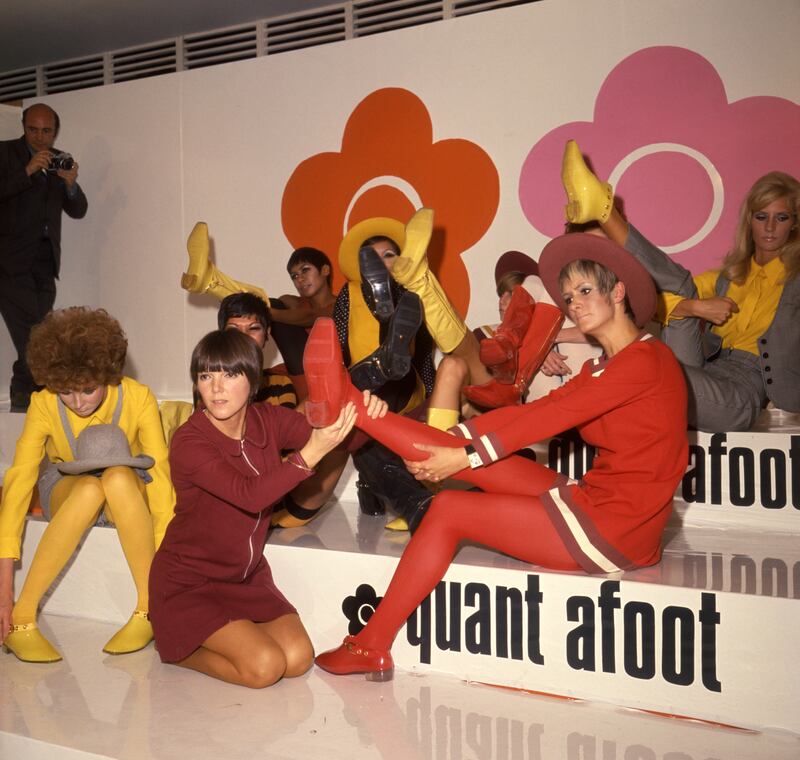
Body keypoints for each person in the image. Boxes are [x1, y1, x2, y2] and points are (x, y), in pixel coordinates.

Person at [303, 232, 688, 680]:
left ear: (618, 291)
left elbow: (554, 417)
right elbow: (540, 409)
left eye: (585, 291)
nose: (574, 304)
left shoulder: (646, 362)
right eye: (568, 296)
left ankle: (371, 645)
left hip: (617, 530)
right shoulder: (602, 365)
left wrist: (464, 458)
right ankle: (351, 405)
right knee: (471, 451)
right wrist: (457, 441)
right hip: (597, 499)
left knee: (447, 508)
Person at [147, 329, 383, 687]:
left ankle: (225, 634)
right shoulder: (189, 442)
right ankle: (177, 646)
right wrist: (312, 452)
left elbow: (342, 437)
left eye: (230, 375)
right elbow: (250, 495)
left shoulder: (265, 420)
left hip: (245, 577)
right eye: (206, 376)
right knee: (264, 668)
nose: (216, 388)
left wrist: (366, 412)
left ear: (253, 380)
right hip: (190, 582)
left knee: (298, 659)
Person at [561, 139, 800, 431]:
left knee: (653, 371)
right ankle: (603, 209)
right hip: (705, 369)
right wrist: (694, 306)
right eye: (762, 217)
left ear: (795, 223)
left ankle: (605, 213)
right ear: (750, 220)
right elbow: (653, 302)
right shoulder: (728, 276)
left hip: (741, 391)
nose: (771, 227)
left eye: (782, 218)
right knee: (682, 286)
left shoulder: (796, 279)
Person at [0, 307, 174, 662]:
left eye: (87, 390)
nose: (77, 402)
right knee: (91, 487)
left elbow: (160, 487)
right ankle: (21, 620)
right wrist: (4, 591)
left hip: (127, 490)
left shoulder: (138, 398)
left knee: (118, 476)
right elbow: (19, 482)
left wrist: (169, 578)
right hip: (66, 487)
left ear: (108, 374)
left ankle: (148, 609)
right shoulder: (44, 403)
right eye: (65, 391)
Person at [180, 223, 336, 403]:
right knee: (264, 304)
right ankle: (210, 280)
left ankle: (211, 282)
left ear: (325, 270)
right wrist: (260, 310)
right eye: (294, 276)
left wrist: (266, 313)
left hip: (327, 376)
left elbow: (312, 317)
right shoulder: (291, 302)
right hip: (298, 376)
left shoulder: (340, 303)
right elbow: (258, 304)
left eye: (305, 270)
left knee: (267, 309)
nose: (300, 279)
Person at [0, 104, 88, 412]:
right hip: (9, 263)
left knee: (38, 334)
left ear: (55, 131)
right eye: (33, 130)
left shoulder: (57, 159)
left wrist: (70, 185)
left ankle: (27, 398)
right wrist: (26, 171)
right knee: (32, 336)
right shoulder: (5, 154)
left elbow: (78, 210)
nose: (40, 137)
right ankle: (29, 396)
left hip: (46, 261)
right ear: (23, 126)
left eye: (46, 131)